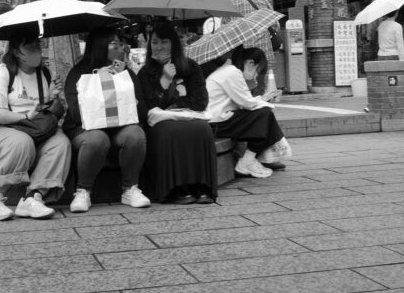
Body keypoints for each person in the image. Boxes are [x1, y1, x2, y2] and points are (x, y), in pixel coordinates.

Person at [0, 31, 71, 220]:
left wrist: (53, 98)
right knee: (22, 142)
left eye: (37, 45)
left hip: (37, 129)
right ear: (16, 52)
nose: (36, 50)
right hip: (1, 129)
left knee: (61, 143)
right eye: (29, 47)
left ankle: (34, 198)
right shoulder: (2, 74)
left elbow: (51, 111)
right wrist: (25, 116)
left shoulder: (45, 74)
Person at [62, 27, 150, 212]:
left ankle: (130, 188)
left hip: (120, 130)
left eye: (121, 44)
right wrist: (98, 81)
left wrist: (126, 93)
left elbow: (142, 112)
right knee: (97, 139)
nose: (120, 48)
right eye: (113, 44)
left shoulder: (126, 73)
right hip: (85, 130)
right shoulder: (79, 73)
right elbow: (76, 114)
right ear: (99, 46)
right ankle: (83, 191)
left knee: (135, 134)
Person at [134, 22, 217, 204]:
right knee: (170, 131)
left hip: (189, 116)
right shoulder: (145, 72)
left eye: (164, 42)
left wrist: (172, 106)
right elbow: (148, 108)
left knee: (202, 129)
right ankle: (176, 188)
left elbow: (200, 100)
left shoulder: (190, 67)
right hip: (159, 126)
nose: (159, 47)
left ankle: (202, 186)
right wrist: (165, 80)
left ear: (174, 44)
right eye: (154, 42)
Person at [203, 48, 290, 179]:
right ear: (250, 63)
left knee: (264, 114)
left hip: (218, 120)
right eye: (257, 71)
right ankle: (249, 160)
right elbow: (247, 103)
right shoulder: (232, 72)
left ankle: (256, 158)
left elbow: (244, 102)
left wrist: (262, 99)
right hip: (217, 123)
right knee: (265, 114)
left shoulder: (228, 70)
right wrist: (264, 101)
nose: (256, 75)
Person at [224, 0, 279, 95]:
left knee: (242, 86)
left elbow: (224, 30)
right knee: (260, 85)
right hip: (263, 53)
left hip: (241, 53)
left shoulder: (229, 3)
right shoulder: (263, 1)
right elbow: (275, 25)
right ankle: (259, 101)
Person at [376, 9, 404, 110]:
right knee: (403, 82)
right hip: (394, 56)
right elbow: (400, 45)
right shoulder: (397, 26)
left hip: (381, 56)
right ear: (396, 13)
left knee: (384, 82)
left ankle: (385, 105)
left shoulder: (380, 26)